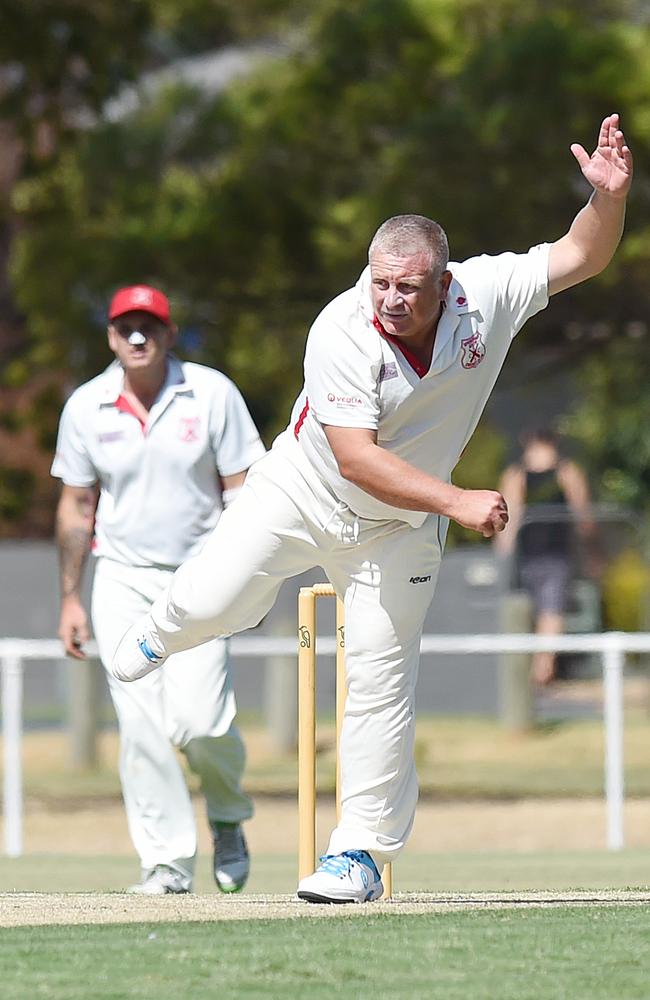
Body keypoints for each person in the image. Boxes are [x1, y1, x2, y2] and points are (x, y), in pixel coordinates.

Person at [111, 114, 632, 903]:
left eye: (407, 286)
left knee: (383, 678)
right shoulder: (340, 329)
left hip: (396, 532)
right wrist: (456, 497)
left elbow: (582, 254)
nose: (388, 299)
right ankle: (164, 627)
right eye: (378, 280)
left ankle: (356, 855)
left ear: (445, 281)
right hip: (303, 489)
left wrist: (607, 200)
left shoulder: (485, 294)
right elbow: (357, 458)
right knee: (213, 601)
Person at [51, 283, 266, 895]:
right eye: (125, 328)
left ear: (170, 334)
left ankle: (227, 813)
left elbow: (243, 491)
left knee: (199, 723)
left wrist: (243, 576)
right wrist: (70, 597)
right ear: (111, 337)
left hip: (201, 578)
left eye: (150, 326)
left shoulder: (212, 392)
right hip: (120, 578)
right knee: (140, 725)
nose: (138, 337)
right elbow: (75, 507)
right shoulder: (87, 406)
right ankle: (167, 862)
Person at [495, 428, 596, 686]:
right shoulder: (530, 474)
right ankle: (539, 671)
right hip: (540, 554)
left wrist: (501, 555)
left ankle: (541, 672)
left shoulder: (557, 472)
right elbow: (584, 518)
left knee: (547, 611)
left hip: (548, 554)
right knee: (546, 612)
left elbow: (508, 520)